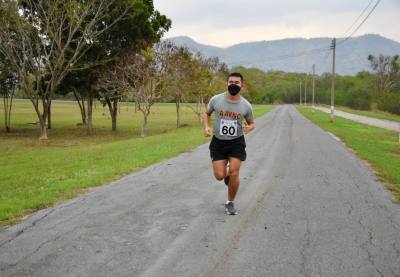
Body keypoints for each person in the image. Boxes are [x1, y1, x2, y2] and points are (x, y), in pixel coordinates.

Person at [203, 72, 255, 215]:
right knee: (219, 176)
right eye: (230, 81)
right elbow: (207, 113)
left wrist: (249, 127)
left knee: (234, 172)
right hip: (218, 142)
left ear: (242, 86)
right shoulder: (216, 100)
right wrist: (206, 127)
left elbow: (252, 123)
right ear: (227, 83)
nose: (233, 84)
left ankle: (230, 202)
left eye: (236, 82)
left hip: (236, 142)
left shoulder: (246, 105)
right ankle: (226, 175)